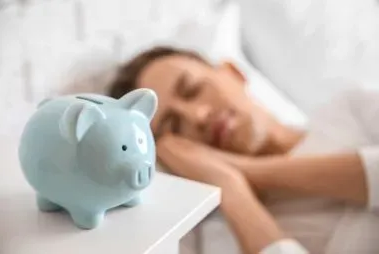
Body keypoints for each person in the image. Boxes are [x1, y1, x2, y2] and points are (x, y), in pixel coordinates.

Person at [108, 46, 379, 254]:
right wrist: (229, 188)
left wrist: (242, 170)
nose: (198, 116)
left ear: (233, 72)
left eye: (193, 90)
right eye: (175, 127)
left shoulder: (353, 110)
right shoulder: (226, 236)